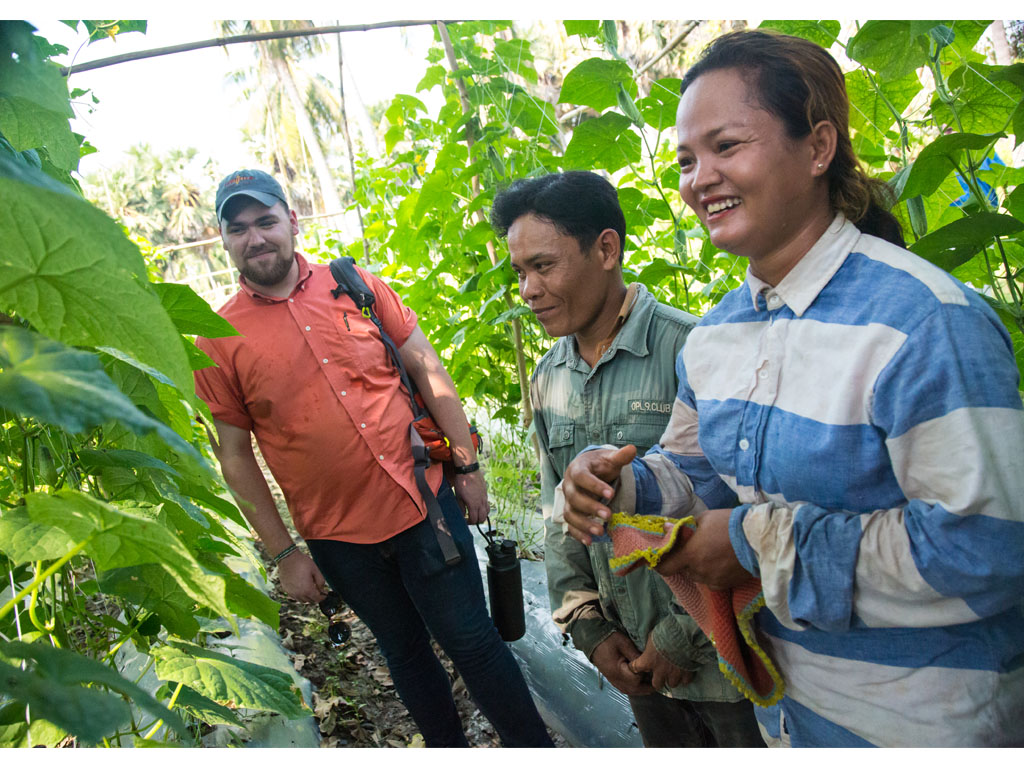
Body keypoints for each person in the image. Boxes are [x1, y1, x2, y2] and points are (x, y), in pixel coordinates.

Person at [560, 31, 1024, 747]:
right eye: (686, 159)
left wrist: (756, 545)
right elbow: (697, 474)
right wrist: (618, 486)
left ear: (817, 148)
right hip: (787, 718)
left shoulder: (925, 323)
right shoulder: (716, 337)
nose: (700, 177)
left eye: (726, 146)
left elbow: (989, 551)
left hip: (928, 727)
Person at [193, 169, 553, 748]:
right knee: (405, 652)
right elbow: (235, 456)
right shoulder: (217, 337)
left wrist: (466, 465)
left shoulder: (354, 283)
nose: (255, 238)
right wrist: (284, 553)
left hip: (423, 505)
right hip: (339, 536)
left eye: (265, 221)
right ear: (225, 241)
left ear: (292, 221)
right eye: (238, 229)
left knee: (472, 641)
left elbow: (425, 370)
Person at [491, 171, 764, 747]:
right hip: (634, 659)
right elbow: (557, 508)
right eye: (520, 272)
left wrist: (681, 636)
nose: (527, 290)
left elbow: (747, 507)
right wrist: (586, 622)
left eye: (544, 266)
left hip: (719, 656)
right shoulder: (548, 378)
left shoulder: (691, 349)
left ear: (607, 248)